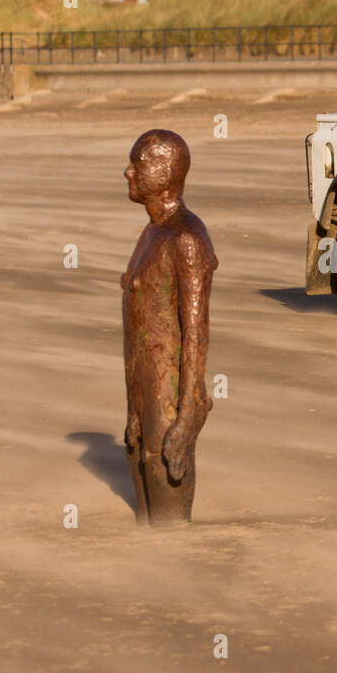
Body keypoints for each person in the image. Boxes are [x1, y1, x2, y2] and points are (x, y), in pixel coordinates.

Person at [121, 129, 218, 524]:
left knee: (169, 528)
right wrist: (132, 411)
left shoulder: (187, 239)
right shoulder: (152, 232)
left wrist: (187, 418)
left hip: (168, 410)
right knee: (146, 526)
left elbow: (196, 333)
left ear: (165, 172)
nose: (128, 172)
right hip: (142, 406)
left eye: (138, 164)